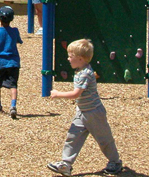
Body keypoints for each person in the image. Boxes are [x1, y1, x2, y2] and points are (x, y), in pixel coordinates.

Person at [47, 39, 122, 176]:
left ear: (80, 59)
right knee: (73, 137)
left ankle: (115, 162)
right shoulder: (80, 70)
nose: (68, 59)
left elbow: (76, 94)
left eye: (71, 56)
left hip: (94, 112)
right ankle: (66, 164)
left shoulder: (85, 73)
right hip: (82, 112)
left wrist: (58, 94)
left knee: (104, 139)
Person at [0, 6, 23, 119]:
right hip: (13, 62)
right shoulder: (15, 31)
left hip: (0, 62)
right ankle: (13, 105)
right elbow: (18, 41)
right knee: (13, 85)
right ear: (12, 19)